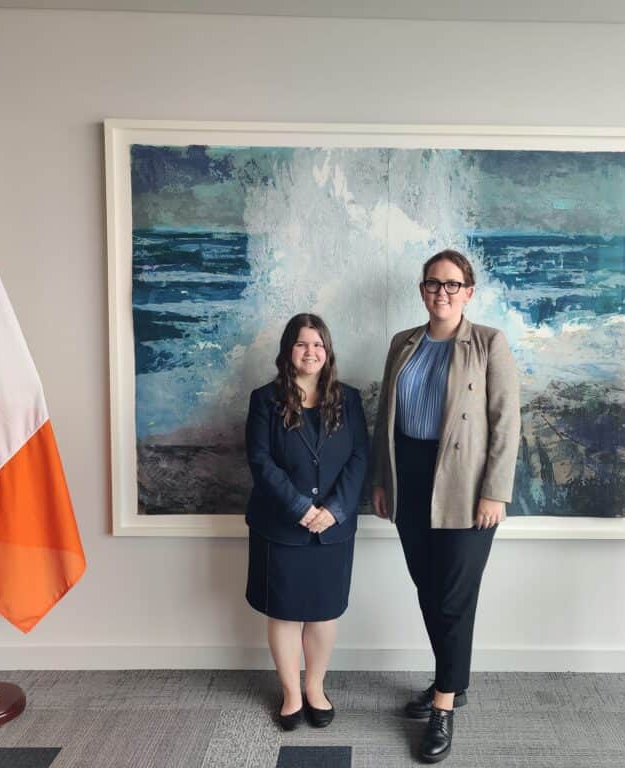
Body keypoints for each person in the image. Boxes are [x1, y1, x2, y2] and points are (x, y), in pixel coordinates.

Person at [371, 249, 521, 763]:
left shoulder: (489, 343)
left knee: (454, 595)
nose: (442, 292)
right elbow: (385, 417)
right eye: (434, 283)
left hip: (465, 483)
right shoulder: (402, 343)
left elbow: (506, 422)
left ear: (468, 292)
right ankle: (452, 681)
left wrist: (495, 491)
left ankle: (443, 705)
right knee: (429, 588)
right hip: (409, 477)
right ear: (422, 290)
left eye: (453, 284)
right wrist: (382, 479)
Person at [244, 313, 368, 731]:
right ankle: (291, 694)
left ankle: (315, 687)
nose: (310, 352)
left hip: (334, 528)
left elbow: (359, 458)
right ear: (288, 350)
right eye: (301, 344)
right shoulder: (264, 400)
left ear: (328, 351)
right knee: (284, 612)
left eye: (318, 344)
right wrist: (300, 508)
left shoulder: (349, 400)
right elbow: (260, 461)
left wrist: (335, 510)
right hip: (281, 526)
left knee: (323, 612)